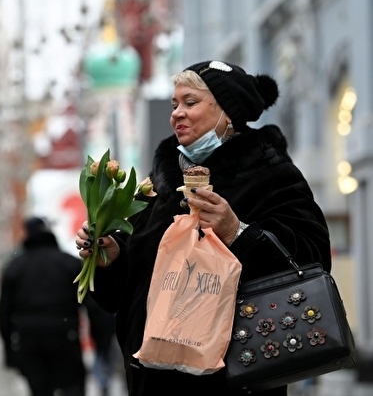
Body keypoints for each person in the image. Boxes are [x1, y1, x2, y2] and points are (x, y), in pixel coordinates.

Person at [75, 60, 331, 396]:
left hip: (236, 379)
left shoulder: (271, 175)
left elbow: (312, 260)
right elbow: (122, 296)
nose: (177, 113)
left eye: (190, 102)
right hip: (154, 379)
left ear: (229, 111)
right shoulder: (159, 186)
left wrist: (238, 232)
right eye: (174, 104)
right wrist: (112, 259)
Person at [0, 217, 86, 396]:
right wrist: (102, 342)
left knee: (39, 389)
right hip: (64, 334)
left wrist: (9, 351)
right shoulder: (69, 263)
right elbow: (92, 304)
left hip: (29, 339)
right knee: (72, 387)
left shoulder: (15, 267)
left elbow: (3, 312)